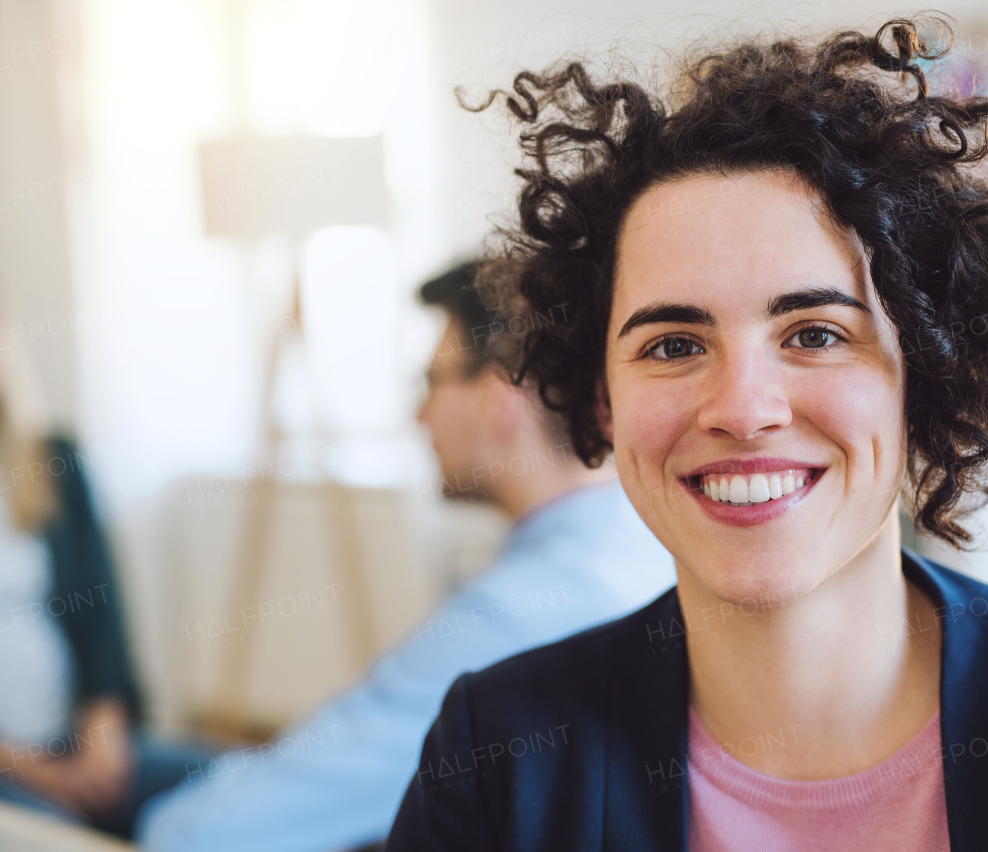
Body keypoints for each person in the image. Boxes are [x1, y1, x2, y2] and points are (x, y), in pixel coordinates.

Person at [385, 18, 988, 850]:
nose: (742, 407)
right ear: (603, 401)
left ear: (925, 371)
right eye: (673, 344)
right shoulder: (496, 758)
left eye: (814, 334)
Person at [136, 263, 676, 851]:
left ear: (499, 398)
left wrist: (153, 825)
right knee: (141, 761)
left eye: (431, 382)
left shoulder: (518, 612)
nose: (419, 417)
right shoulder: (639, 543)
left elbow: (210, 835)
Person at [0, 406, 210, 838]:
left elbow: (99, 612)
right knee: (59, 838)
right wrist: (36, 773)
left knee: (236, 782)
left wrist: (104, 725)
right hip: (10, 768)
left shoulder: (49, 457)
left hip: (72, 736)